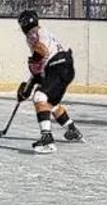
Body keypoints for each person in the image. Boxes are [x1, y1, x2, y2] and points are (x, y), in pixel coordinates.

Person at [16, 9, 83, 153]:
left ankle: (47, 139)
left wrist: (29, 84)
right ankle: (71, 129)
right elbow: (40, 66)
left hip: (58, 66)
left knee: (39, 97)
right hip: (65, 67)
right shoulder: (42, 32)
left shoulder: (32, 35)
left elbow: (42, 52)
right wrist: (30, 82)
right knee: (49, 103)